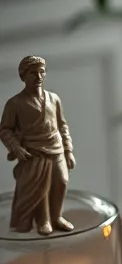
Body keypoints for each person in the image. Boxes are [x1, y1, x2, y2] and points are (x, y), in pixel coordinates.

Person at [0, 55, 76, 234]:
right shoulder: (15, 103)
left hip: (56, 147)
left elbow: (62, 125)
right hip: (33, 152)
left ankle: (57, 216)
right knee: (40, 187)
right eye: (33, 73)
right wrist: (16, 148)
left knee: (62, 181)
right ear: (23, 76)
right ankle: (43, 220)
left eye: (42, 72)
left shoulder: (54, 98)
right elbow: (4, 130)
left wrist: (68, 150)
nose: (39, 76)